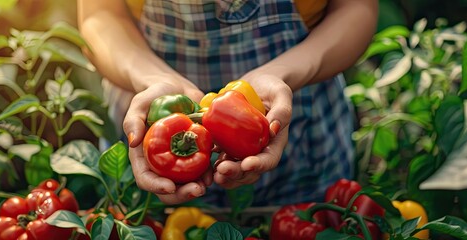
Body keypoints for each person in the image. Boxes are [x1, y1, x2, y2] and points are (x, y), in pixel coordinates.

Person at [78, 0, 378, 206]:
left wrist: (280, 74)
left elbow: (356, 7)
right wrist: (152, 78)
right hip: (146, 112)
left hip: (305, 134)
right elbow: (99, 13)